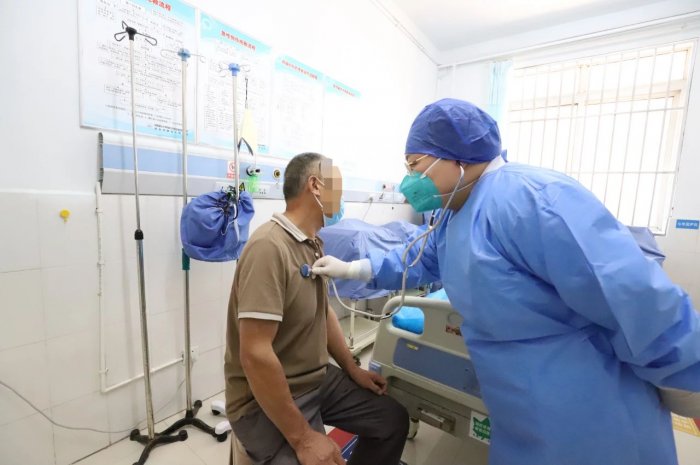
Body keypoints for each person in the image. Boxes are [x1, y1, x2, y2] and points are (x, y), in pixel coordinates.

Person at [311, 99, 700, 465]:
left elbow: (629, 292)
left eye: (415, 165)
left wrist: (686, 375)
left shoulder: (532, 199)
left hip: (586, 404)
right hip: (516, 405)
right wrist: (354, 269)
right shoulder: (453, 213)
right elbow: (418, 260)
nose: (409, 180)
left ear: (456, 156)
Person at [224, 152, 409, 465]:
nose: (343, 197)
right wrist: (303, 438)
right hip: (262, 398)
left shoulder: (313, 244)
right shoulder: (269, 247)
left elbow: (323, 313)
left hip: (315, 380)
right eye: (339, 186)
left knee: (392, 420)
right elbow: (254, 354)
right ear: (316, 186)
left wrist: (352, 369)